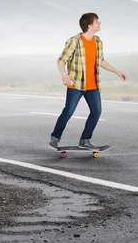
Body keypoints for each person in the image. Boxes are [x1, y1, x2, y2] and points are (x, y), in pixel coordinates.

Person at [49, 13, 126, 150]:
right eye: (97, 21)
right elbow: (61, 60)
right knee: (68, 112)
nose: (100, 23)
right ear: (89, 25)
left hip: (93, 85)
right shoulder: (74, 41)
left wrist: (116, 71)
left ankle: (85, 140)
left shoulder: (98, 42)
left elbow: (101, 61)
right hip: (76, 84)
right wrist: (64, 75)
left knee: (96, 112)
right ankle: (54, 139)